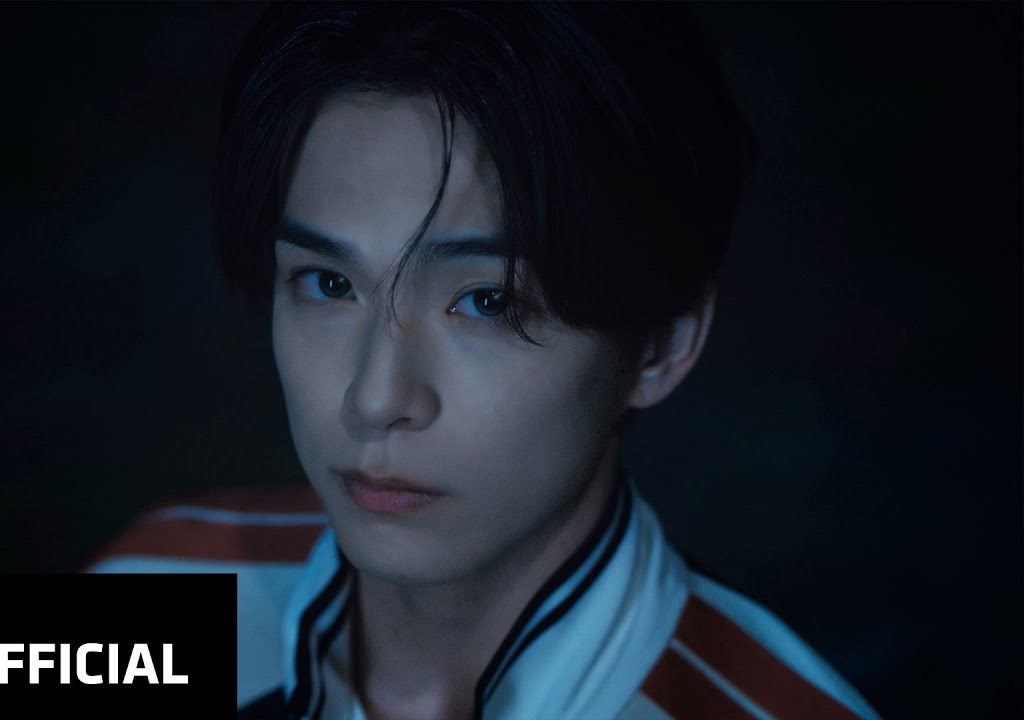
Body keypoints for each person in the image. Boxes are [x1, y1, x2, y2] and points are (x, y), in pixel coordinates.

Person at [90, 3, 882, 719]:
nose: (376, 398)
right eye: (328, 283)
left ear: (662, 344)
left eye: (489, 301)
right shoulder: (160, 580)